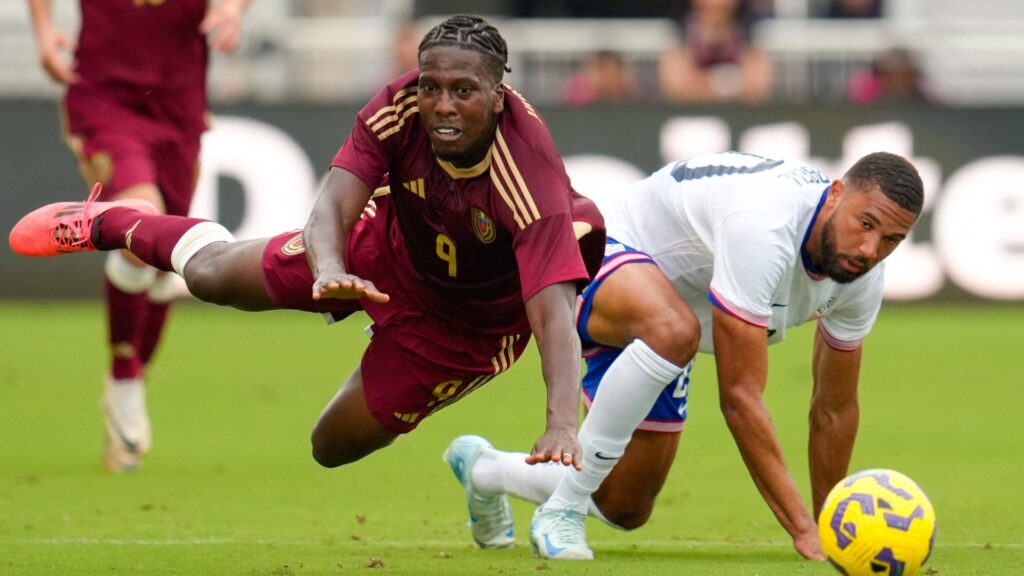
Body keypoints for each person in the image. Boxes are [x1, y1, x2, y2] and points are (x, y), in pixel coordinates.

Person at [10, 14, 606, 539]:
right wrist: (330, 269)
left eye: (464, 91)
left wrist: (560, 425)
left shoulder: (528, 177)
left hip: (466, 328)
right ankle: (109, 222)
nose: (442, 105)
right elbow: (332, 207)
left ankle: (480, 471)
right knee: (215, 278)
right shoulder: (399, 108)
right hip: (386, 247)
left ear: (499, 96)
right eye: (432, 86)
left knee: (331, 446)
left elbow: (553, 312)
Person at [442, 151, 924, 560]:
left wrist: (833, 523)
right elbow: (740, 398)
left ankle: (485, 469)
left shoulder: (861, 280)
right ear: (836, 194)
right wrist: (803, 529)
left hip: (668, 309)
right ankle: (562, 509)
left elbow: (834, 409)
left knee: (624, 506)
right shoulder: (765, 226)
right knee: (674, 331)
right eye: (865, 224)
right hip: (598, 248)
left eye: (891, 240)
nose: (870, 249)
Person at [27, 0, 250, 472]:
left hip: (178, 103)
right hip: (104, 97)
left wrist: (232, 8)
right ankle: (124, 377)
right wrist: (43, 30)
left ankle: (131, 381)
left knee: (166, 257)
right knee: (141, 218)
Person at [658, 0, 774, 103]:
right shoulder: (680, 36)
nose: (716, 3)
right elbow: (678, 87)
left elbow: (757, 86)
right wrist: (732, 84)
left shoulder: (749, 35)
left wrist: (705, 83)